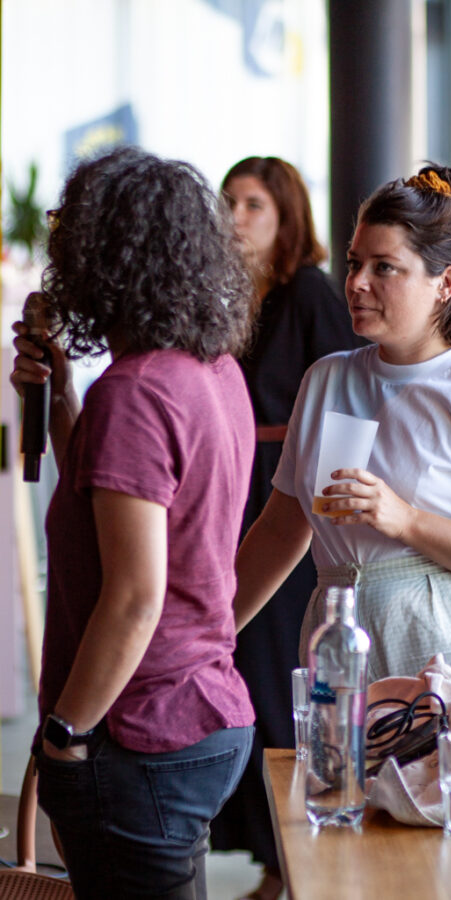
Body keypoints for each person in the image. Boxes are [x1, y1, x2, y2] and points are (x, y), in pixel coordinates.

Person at [10, 146, 256, 900]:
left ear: (102, 255)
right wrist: (57, 389)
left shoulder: (137, 392)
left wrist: (64, 734)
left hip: (137, 729)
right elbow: (106, 487)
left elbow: (135, 595)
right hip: (202, 712)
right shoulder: (208, 370)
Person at [232, 163, 451, 713]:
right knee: (336, 796)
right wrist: (208, 639)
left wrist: (405, 519)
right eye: (354, 263)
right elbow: (281, 528)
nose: (357, 283)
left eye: (384, 267)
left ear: (445, 283)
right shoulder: (328, 380)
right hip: (343, 645)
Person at [209, 156, 362, 900]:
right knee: (237, 669)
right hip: (236, 491)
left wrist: (329, 501)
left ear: (286, 216)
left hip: (288, 502)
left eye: (253, 204)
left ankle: (291, 862)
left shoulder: (308, 291)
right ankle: (271, 856)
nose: (235, 215)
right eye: (229, 201)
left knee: (277, 681)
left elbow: (348, 394)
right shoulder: (232, 294)